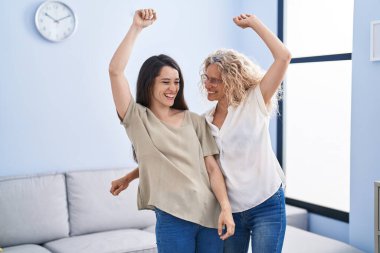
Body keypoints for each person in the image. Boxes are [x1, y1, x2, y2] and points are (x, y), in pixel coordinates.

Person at [108, 9, 234, 253]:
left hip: (211, 215)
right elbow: (115, 71)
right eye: (165, 82)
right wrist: (137, 28)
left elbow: (211, 169)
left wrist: (226, 209)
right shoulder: (137, 119)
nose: (172, 88)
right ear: (149, 83)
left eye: (176, 82)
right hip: (173, 219)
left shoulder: (195, 121)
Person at [201, 13, 291, 253]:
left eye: (215, 81)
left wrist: (253, 24)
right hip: (231, 210)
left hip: (267, 204)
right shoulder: (204, 121)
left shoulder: (255, 101)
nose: (207, 85)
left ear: (231, 80)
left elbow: (284, 57)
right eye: (206, 78)